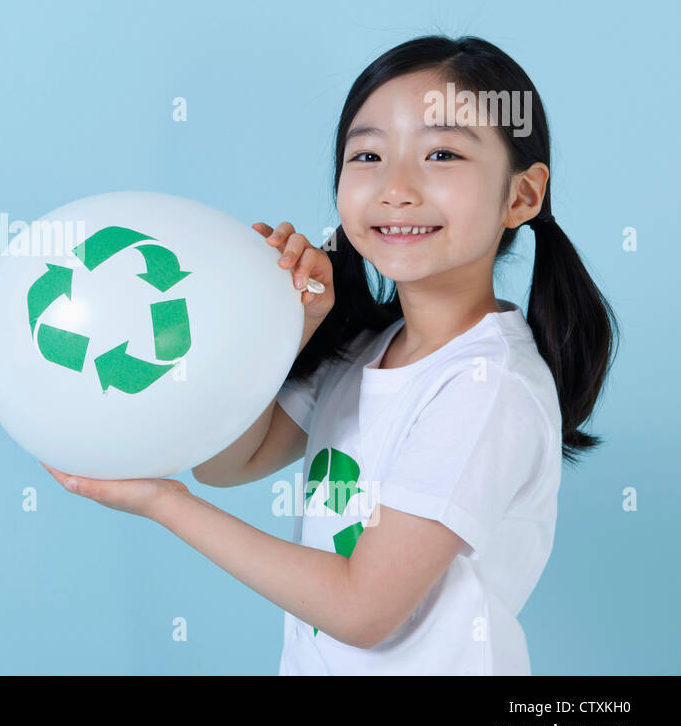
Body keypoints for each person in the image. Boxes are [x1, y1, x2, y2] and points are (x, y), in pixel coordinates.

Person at [42, 34, 618, 674]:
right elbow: (231, 462)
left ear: (521, 197)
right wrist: (294, 326)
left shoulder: (487, 386)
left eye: (443, 153)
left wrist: (162, 503)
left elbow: (362, 610)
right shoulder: (368, 348)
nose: (396, 187)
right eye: (368, 154)